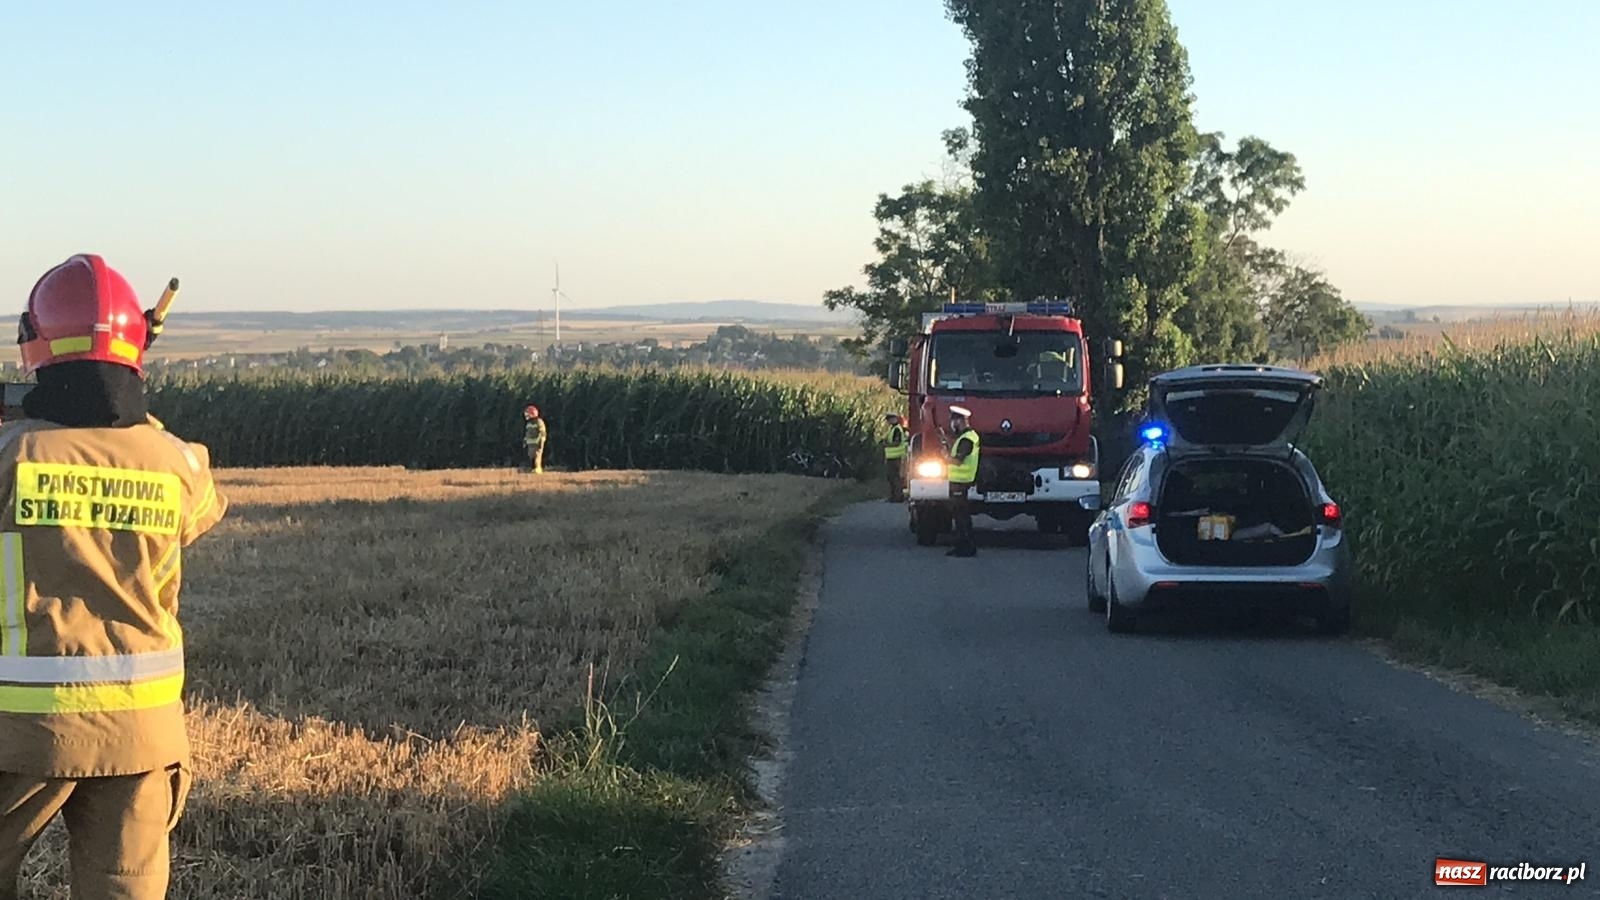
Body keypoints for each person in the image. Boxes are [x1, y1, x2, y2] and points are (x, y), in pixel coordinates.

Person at [0, 254, 227, 899]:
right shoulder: (176, 462)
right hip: (141, 731)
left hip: (21, 730)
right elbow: (194, 505)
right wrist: (128, 401)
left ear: (34, 346)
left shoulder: (10, 455)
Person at [945, 405, 980, 557]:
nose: (952, 424)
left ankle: (966, 547)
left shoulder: (967, 439)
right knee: (959, 516)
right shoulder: (966, 437)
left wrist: (945, 458)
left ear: (961, 421)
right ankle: (962, 546)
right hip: (958, 481)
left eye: (954, 421)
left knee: (962, 517)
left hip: (961, 482)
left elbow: (958, 460)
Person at [881, 413, 907, 501]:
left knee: (895, 478)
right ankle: (894, 496)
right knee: (891, 477)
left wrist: (886, 444)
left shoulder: (897, 429)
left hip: (896, 457)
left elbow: (897, 442)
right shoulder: (893, 429)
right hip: (892, 457)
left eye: (890, 419)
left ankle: (898, 497)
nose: (889, 421)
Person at [523, 404, 546, 473]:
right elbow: (527, 433)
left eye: (528, 413)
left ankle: (537, 471)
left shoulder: (539, 422)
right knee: (531, 458)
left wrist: (541, 442)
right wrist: (525, 441)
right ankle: (532, 470)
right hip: (530, 445)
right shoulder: (528, 423)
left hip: (537, 444)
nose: (526, 415)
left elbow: (542, 433)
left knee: (537, 458)